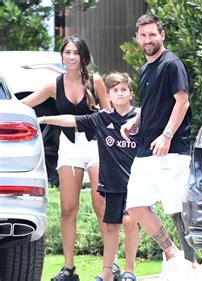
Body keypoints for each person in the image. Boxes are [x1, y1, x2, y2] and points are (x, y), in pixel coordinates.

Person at [22, 35, 111, 281]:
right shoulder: (54, 85)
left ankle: (109, 267)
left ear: (83, 56)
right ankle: (69, 269)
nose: (71, 57)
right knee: (67, 208)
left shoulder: (96, 81)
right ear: (62, 55)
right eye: (67, 52)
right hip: (69, 147)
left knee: (100, 204)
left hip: (95, 146)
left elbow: (110, 116)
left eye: (76, 52)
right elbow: (25, 105)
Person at [38, 72, 141, 281]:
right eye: (115, 90)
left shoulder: (140, 117)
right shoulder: (102, 118)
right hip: (111, 183)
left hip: (134, 181)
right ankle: (107, 272)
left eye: (124, 90)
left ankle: (130, 270)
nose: (120, 94)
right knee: (111, 225)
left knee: (130, 222)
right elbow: (72, 120)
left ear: (131, 94)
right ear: (108, 96)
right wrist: (45, 118)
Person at [120, 13, 197, 270]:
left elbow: (182, 101)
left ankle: (192, 264)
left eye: (153, 34)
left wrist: (166, 136)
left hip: (170, 150)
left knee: (177, 209)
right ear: (137, 39)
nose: (148, 39)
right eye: (143, 35)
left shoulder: (171, 64)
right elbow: (151, 104)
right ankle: (172, 252)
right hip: (145, 150)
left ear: (162, 35)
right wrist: (134, 122)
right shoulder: (146, 69)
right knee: (136, 205)